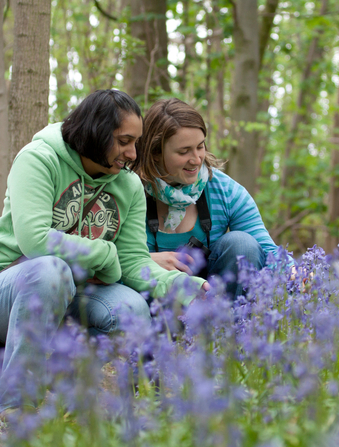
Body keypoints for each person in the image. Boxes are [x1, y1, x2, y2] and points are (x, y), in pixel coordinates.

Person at [0, 90, 207, 415]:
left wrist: (176, 285)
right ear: (95, 132)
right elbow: (35, 241)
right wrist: (104, 256)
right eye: (124, 141)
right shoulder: (39, 159)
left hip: (78, 294)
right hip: (14, 288)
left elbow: (133, 262)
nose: (133, 153)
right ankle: (15, 406)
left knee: (133, 309)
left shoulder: (127, 186)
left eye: (136, 142)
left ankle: (70, 394)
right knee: (51, 270)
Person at [132, 98, 295, 299]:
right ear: (155, 153)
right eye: (184, 151)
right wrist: (145, 261)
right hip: (153, 299)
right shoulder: (132, 191)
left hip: (213, 298)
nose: (196, 159)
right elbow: (111, 261)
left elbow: (266, 251)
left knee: (242, 244)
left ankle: (230, 326)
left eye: (200, 147)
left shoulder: (224, 190)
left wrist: (296, 274)